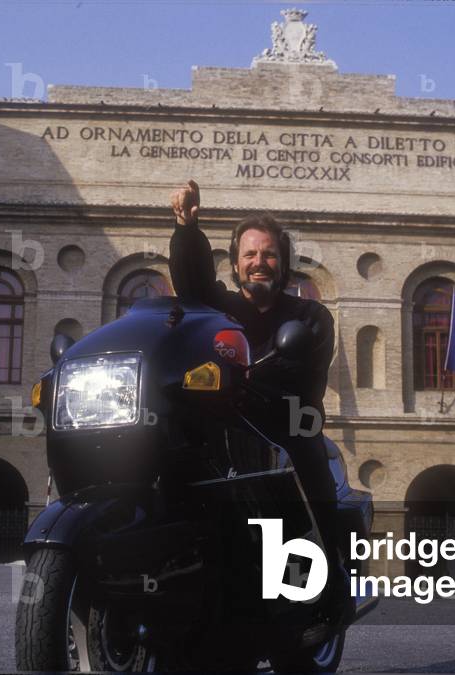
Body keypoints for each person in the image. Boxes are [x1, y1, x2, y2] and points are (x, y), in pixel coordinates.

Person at [167, 179, 348, 618]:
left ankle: (326, 588)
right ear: (236, 263)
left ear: (283, 263)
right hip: (224, 428)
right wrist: (187, 228)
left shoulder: (310, 316)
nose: (258, 263)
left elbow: (300, 378)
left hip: (284, 422)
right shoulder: (221, 307)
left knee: (302, 449)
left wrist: (242, 383)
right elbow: (192, 285)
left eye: (268, 254)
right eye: (249, 255)